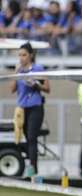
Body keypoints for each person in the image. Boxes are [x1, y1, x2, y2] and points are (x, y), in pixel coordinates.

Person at [10, 42, 50, 174]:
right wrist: (16, 73)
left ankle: (33, 168)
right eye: (20, 55)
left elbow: (47, 88)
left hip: (35, 107)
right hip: (22, 108)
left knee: (32, 137)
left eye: (24, 55)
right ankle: (32, 167)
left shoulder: (38, 68)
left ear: (30, 55)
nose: (21, 58)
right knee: (27, 138)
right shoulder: (19, 70)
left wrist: (35, 84)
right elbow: (12, 89)